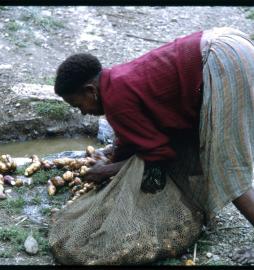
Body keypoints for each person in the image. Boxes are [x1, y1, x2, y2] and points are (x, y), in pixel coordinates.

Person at [54, 27, 254, 264]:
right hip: (226, 43)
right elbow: (135, 138)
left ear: (91, 91)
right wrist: (111, 157)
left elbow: (159, 153)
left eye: (79, 105)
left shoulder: (115, 100)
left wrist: (106, 171)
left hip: (222, 60)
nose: (84, 112)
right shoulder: (115, 82)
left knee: (225, 166)